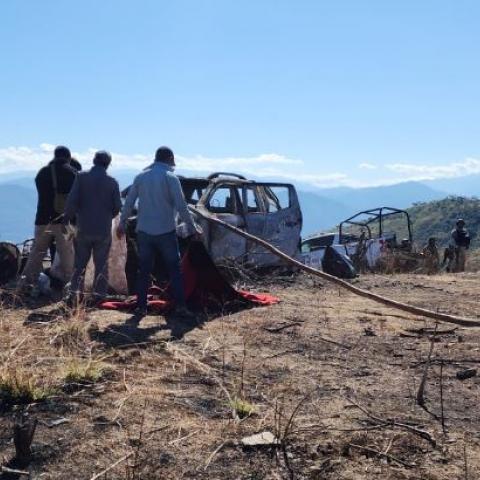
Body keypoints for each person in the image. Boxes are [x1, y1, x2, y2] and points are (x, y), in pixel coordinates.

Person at [117, 146, 197, 319]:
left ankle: (141, 307)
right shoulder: (171, 178)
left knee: (144, 270)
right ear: (169, 159)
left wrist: (122, 223)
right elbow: (181, 206)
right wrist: (192, 228)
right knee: (174, 270)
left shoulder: (141, 177)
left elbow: (129, 202)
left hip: (144, 231)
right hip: (166, 231)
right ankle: (181, 307)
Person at [64, 151, 121, 303]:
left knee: (79, 264)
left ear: (94, 160)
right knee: (101, 265)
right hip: (103, 229)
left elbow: (71, 201)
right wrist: (107, 217)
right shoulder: (112, 182)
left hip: (83, 228)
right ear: (108, 163)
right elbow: (117, 207)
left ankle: (75, 295)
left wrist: (67, 220)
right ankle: (99, 297)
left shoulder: (81, 177)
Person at [20, 146, 78, 290]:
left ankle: (27, 282)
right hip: (65, 222)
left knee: (37, 251)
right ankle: (69, 285)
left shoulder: (42, 173)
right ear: (68, 157)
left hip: (42, 219)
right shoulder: (73, 173)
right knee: (67, 253)